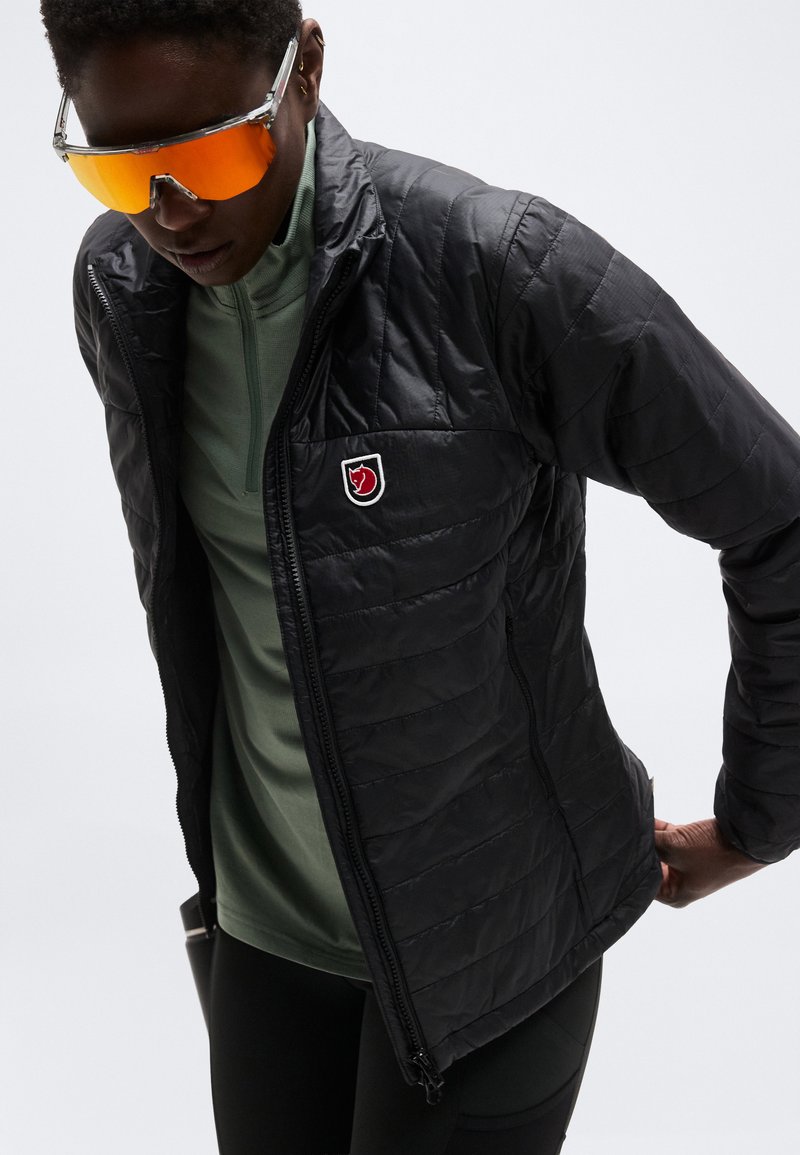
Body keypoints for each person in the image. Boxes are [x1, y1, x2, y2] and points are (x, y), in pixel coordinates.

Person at [40, 2, 800, 1152]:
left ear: (304, 67)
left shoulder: (492, 271)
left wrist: (757, 819)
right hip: (265, 928)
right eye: (116, 168)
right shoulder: (122, 287)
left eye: (210, 154)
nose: (168, 210)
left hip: (488, 949)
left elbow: (777, 515)